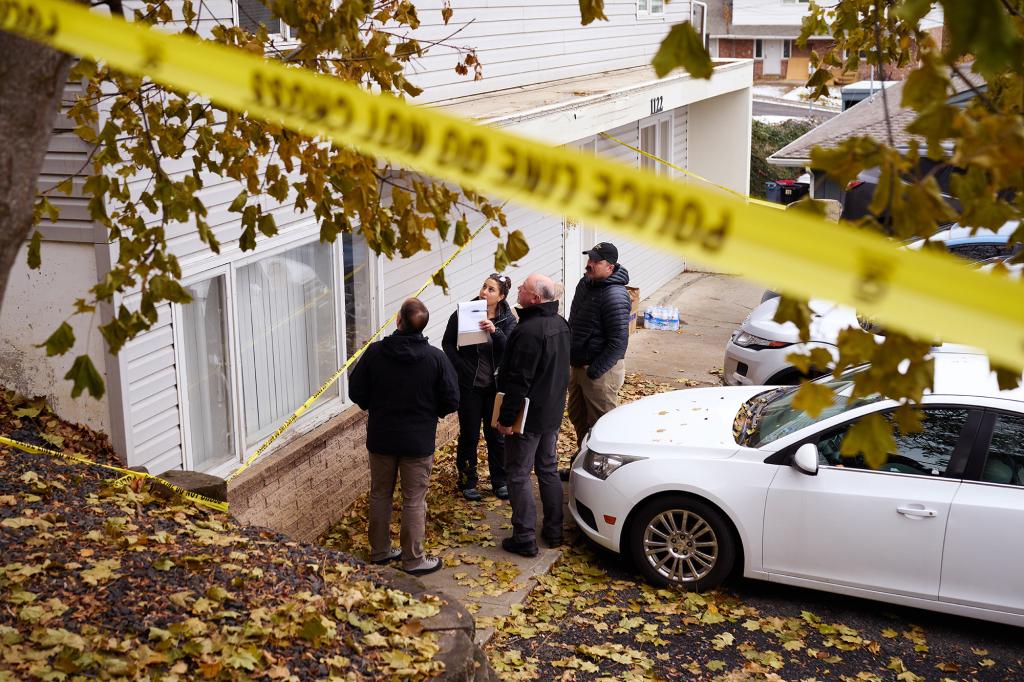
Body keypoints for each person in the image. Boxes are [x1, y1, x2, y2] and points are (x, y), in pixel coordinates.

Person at [348, 298, 459, 576]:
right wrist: (430, 412)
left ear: (398, 321)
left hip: (382, 437)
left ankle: (380, 551)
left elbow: (356, 392)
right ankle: (413, 559)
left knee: (380, 494)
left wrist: (375, 406)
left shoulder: (374, 354)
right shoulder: (435, 358)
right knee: (413, 499)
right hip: (418, 442)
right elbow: (451, 399)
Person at [495, 274, 571, 557]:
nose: (517, 289)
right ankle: (554, 530)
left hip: (528, 416)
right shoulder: (560, 324)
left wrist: (505, 418)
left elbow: (518, 380)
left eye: (523, 288)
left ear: (535, 299)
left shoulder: (528, 332)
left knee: (517, 473)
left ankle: (524, 536)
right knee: (547, 469)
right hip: (551, 412)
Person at [442, 274, 517, 501]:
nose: (485, 292)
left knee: (495, 437)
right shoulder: (464, 312)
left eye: (491, 289)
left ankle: (500, 481)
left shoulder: (508, 320)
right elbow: (447, 343)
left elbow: (511, 349)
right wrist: (460, 367)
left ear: (501, 296)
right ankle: (467, 481)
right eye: (484, 286)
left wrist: (496, 332)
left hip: (495, 388)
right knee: (469, 436)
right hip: (470, 386)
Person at [562, 242, 631, 479]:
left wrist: (594, 371)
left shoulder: (615, 295)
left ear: (609, 267)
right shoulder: (585, 283)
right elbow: (574, 321)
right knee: (578, 417)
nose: (589, 264)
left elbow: (618, 343)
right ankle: (582, 463)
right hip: (578, 366)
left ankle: (609, 476)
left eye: (595, 261)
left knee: (603, 426)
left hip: (601, 371)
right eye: (589, 258)